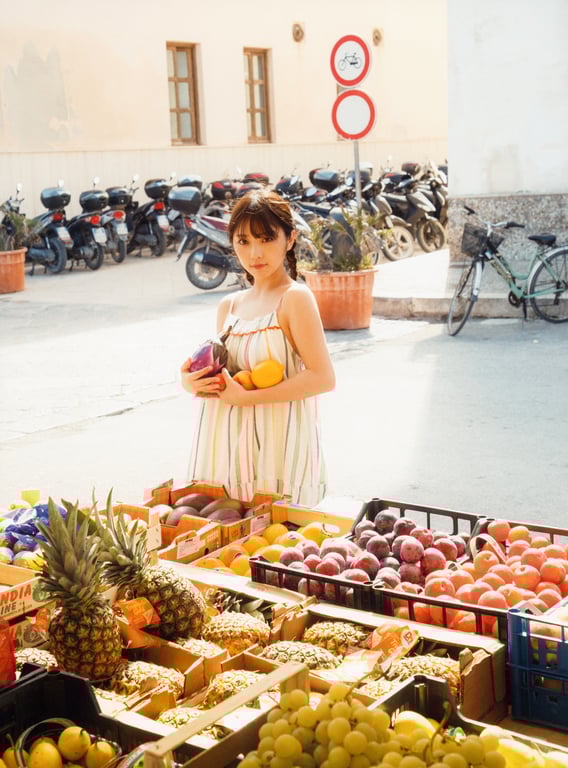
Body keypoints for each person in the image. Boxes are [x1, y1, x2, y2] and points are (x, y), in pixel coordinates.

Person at [180, 188, 335, 507]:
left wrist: (249, 399)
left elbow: (322, 378)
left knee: (279, 545)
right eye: (244, 241)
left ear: (289, 239)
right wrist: (191, 381)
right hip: (227, 447)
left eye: (266, 239)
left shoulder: (295, 299)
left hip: (278, 446)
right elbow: (225, 376)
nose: (255, 253)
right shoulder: (229, 306)